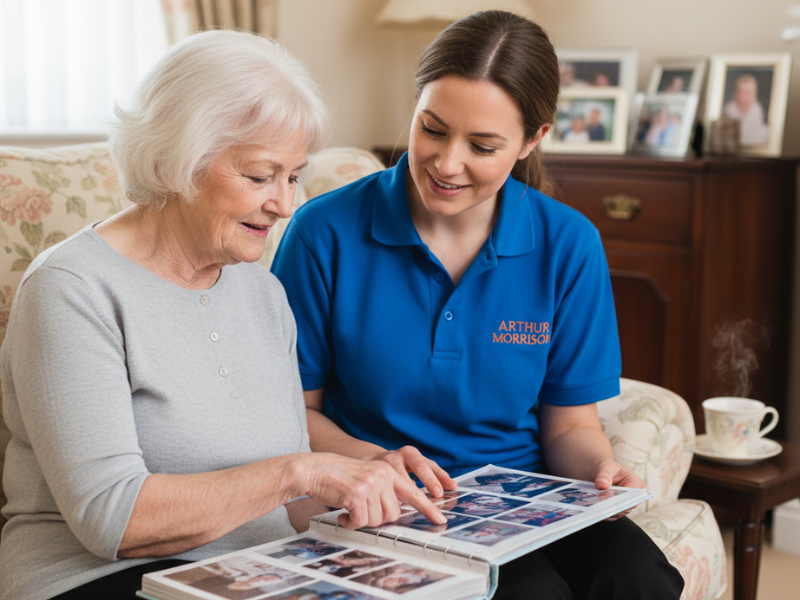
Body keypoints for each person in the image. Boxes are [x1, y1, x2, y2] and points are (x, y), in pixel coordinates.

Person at [0, 30, 446, 600]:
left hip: (263, 571)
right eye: (260, 176)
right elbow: (112, 519)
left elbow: (289, 504)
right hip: (102, 580)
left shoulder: (262, 294)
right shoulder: (72, 289)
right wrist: (301, 471)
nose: (284, 204)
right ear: (174, 162)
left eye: (292, 176)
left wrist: (372, 484)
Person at [272, 10, 684, 600]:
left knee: (641, 580)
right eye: (432, 129)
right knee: (531, 593)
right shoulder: (323, 233)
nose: (446, 163)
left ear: (532, 140)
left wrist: (600, 470)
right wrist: (377, 462)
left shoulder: (568, 243)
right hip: (387, 501)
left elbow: (569, 424)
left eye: (483, 146)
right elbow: (293, 413)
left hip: (525, 502)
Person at [723, 73, 769, 145]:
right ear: (735, 94)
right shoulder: (724, 121)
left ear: (754, 96)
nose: (743, 97)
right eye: (741, 92)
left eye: (748, 93)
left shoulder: (765, 132)